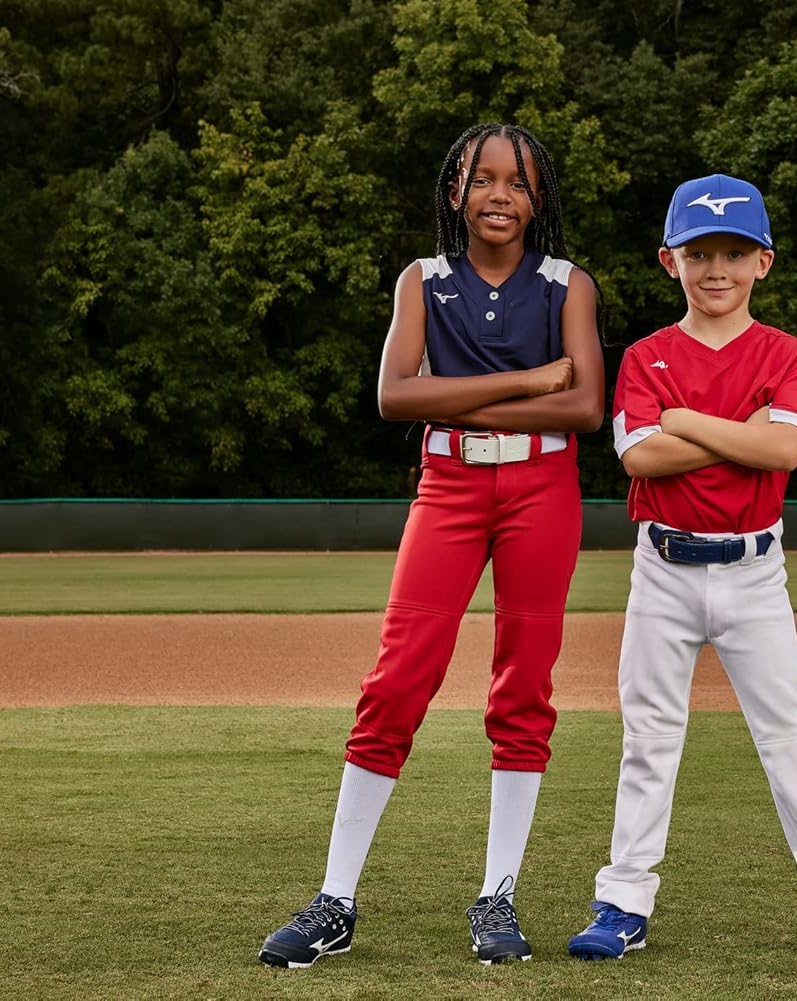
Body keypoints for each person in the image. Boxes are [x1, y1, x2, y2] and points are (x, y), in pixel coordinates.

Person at [258, 123, 604, 968]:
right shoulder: (423, 278)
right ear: (454, 191)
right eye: (480, 178)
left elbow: (586, 409)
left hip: (542, 488)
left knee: (523, 684)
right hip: (446, 487)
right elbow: (392, 395)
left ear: (539, 199)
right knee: (397, 677)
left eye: (517, 183)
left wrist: (444, 399)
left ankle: (498, 895)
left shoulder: (568, 284)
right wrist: (527, 379)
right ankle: (335, 899)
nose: (497, 194)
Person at [566, 173, 797, 967]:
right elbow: (639, 453)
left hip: (754, 573)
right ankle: (622, 899)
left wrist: (685, 420)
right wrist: (730, 429)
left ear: (764, 263)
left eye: (735, 252)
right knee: (648, 736)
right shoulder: (646, 356)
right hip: (664, 568)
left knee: (787, 733)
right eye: (700, 252)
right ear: (668, 260)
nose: (717, 268)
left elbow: (782, 449)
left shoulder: (787, 352)